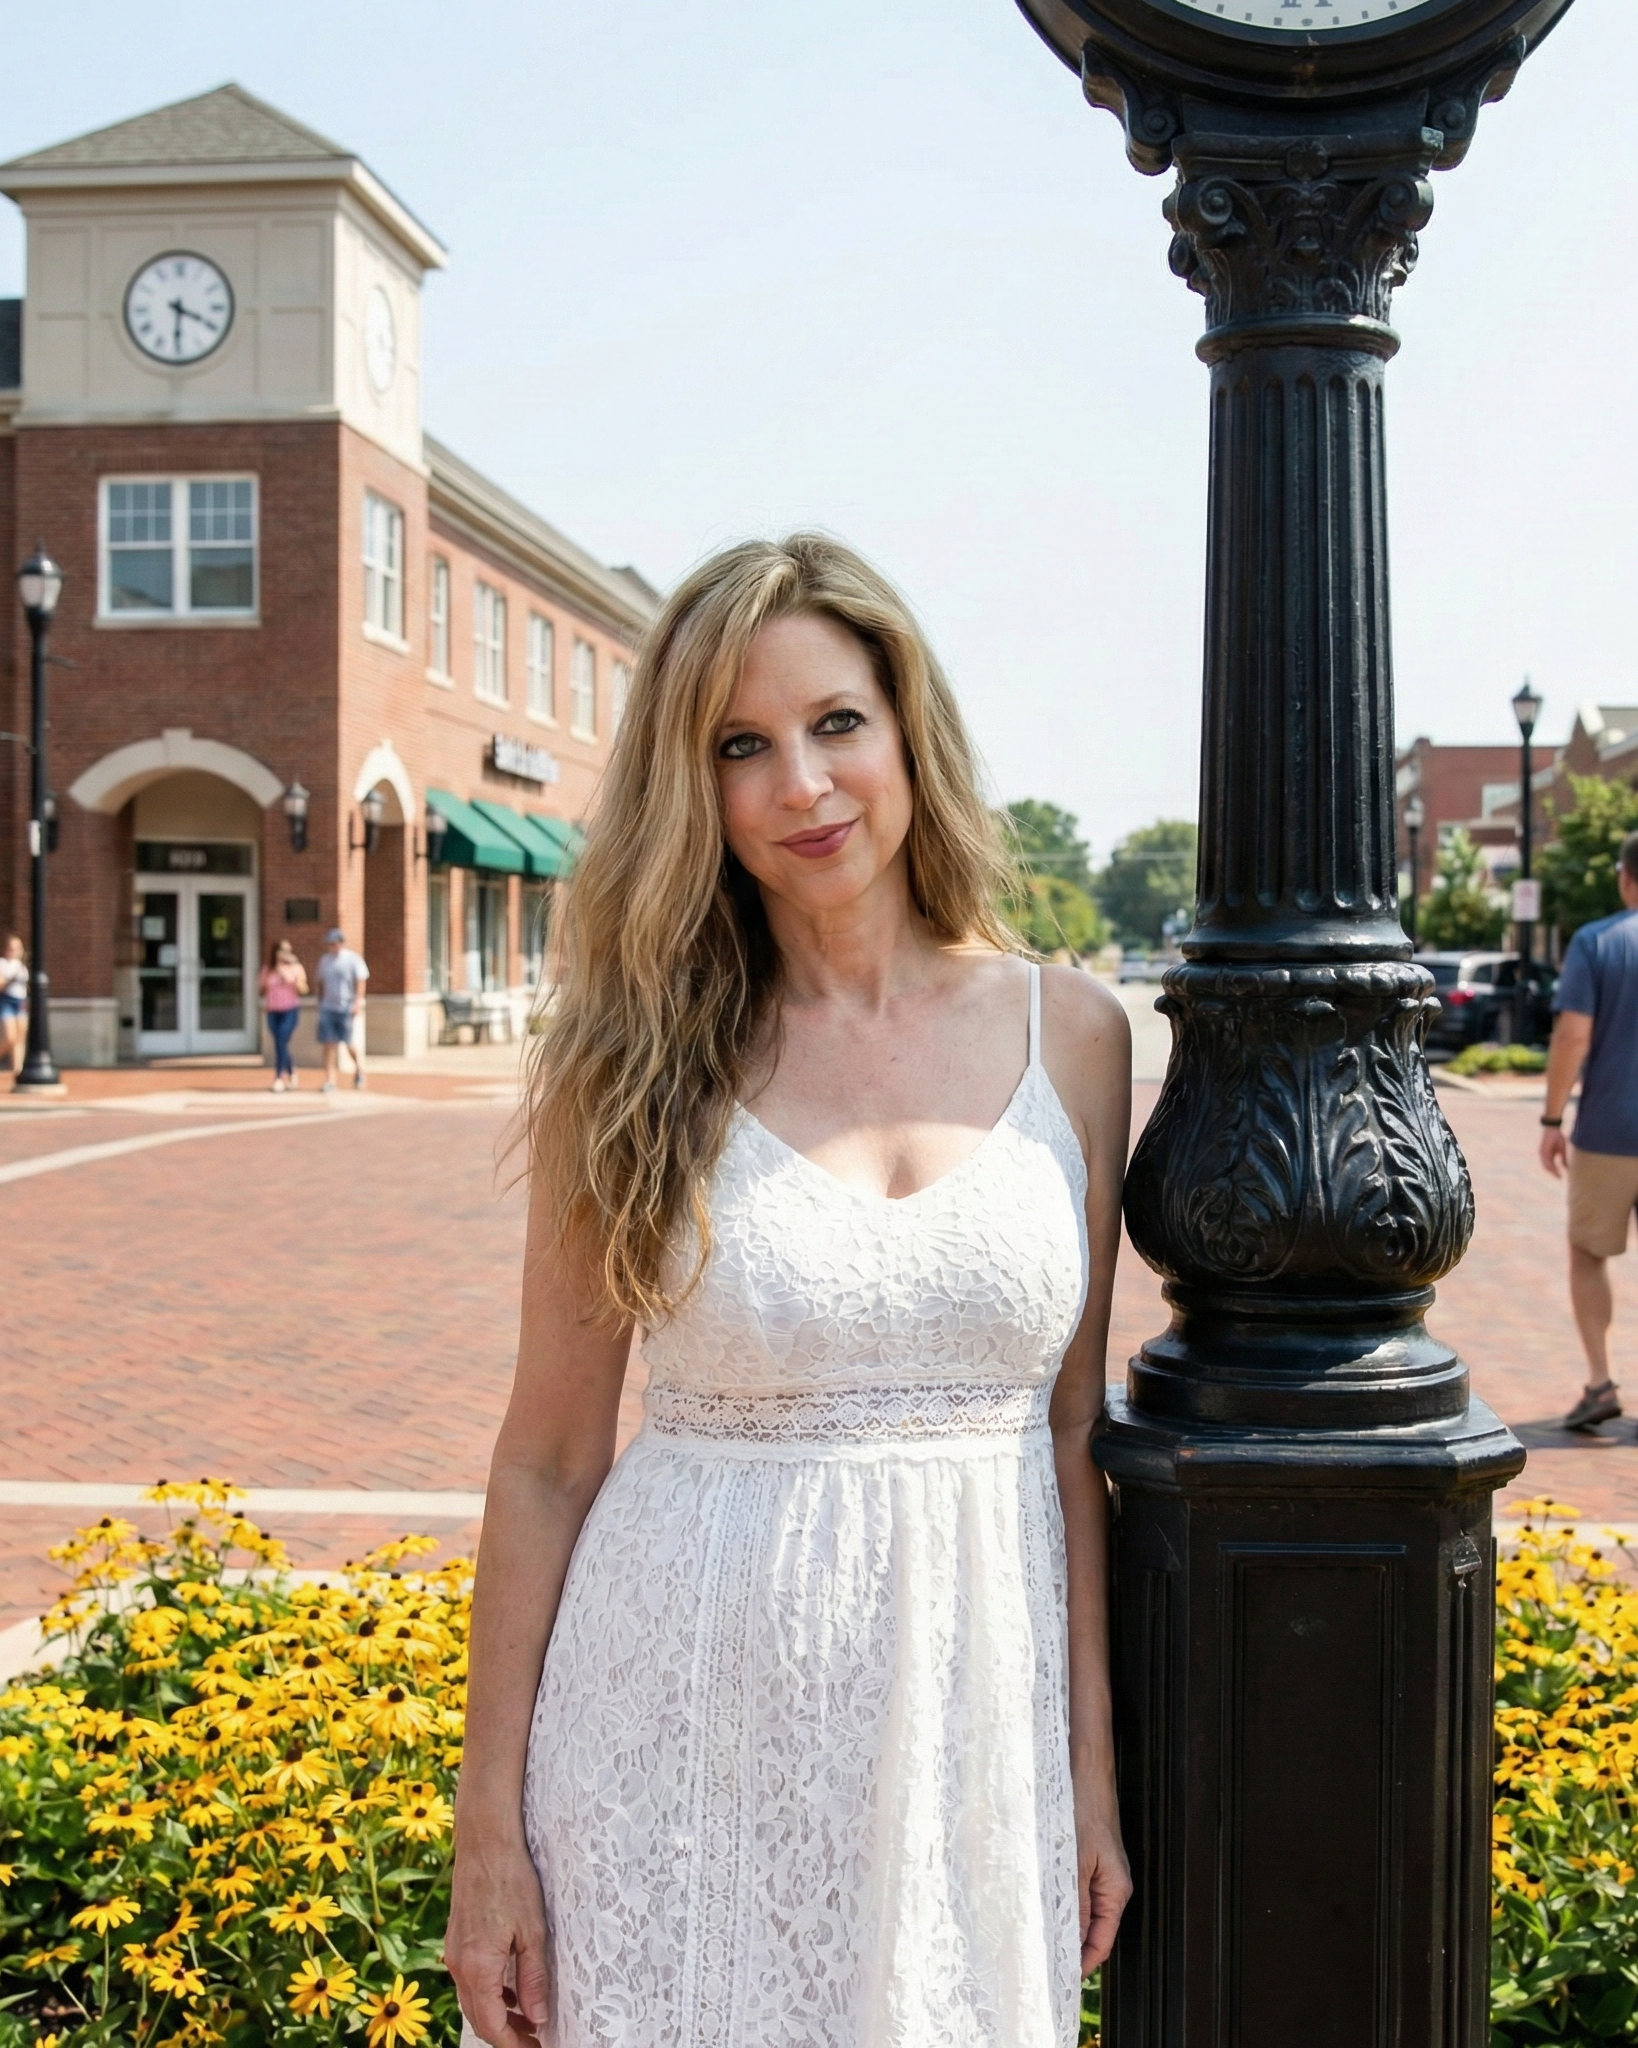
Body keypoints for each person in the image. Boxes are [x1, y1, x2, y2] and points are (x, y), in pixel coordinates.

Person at [444, 535, 1132, 2048]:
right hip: (669, 1732)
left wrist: (1091, 1766)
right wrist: (485, 1824)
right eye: (739, 747)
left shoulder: (1071, 1036)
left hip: (970, 1735)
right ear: (692, 788)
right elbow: (550, 1457)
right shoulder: (626, 1060)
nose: (801, 788)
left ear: (905, 729)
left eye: (835, 725)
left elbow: (1073, 1434)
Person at [1539, 830, 1638, 1433]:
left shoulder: (1597, 942)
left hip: (1608, 1131)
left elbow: (1573, 1035)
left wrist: (1552, 1119)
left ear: (1625, 877)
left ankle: (1600, 1381)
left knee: (1588, 1252)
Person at [315, 928, 368, 1093]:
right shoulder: (325, 961)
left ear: (341, 943)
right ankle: (330, 1080)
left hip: (345, 1006)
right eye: (329, 944)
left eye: (334, 943)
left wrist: (357, 1003)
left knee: (347, 1042)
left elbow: (360, 981)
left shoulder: (352, 959)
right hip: (328, 1007)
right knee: (328, 1044)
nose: (331, 947)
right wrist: (320, 1001)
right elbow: (320, 982)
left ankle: (359, 1069)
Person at [259, 939, 309, 1091]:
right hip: (273, 1011)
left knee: (281, 1038)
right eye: (281, 951)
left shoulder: (296, 968)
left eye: (287, 951)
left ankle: (279, 1077)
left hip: (289, 1010)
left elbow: (304, 989)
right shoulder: (268, 970)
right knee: (280, 1043)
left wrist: (291, 980)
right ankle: (292, 1071)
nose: (284, 954)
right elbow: (261, 990)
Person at [0, 935, 26, 1074]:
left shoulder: (21, 966)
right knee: (10, 1038)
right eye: (12, 948)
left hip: (20, 1001)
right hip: (6, 1001)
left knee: (19, 1038)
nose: (15, 951)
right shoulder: (2, 963)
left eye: (18, 948)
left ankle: (17, 1069)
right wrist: (11, 980)